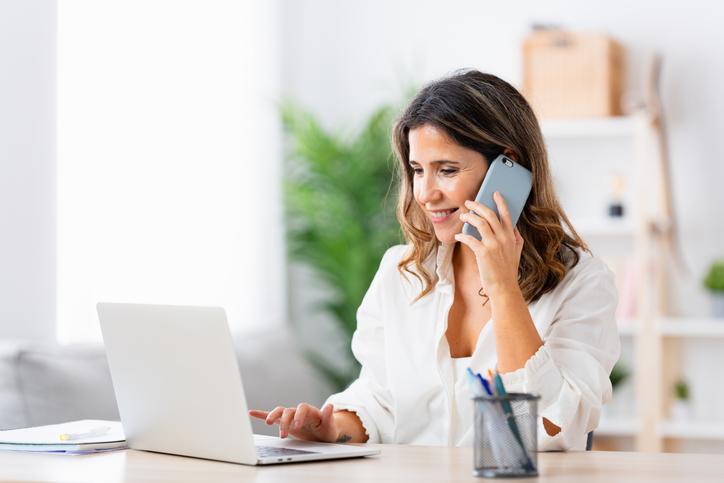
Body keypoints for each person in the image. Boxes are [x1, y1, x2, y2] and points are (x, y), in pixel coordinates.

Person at [250, 69, 620, 451]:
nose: (425, 194)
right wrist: (330, 429)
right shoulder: (401, 272)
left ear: (508, 168)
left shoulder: (583, 282)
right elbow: (380, 404)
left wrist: (504, 289)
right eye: (416, 171)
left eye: (446, 170)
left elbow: (552, 428)